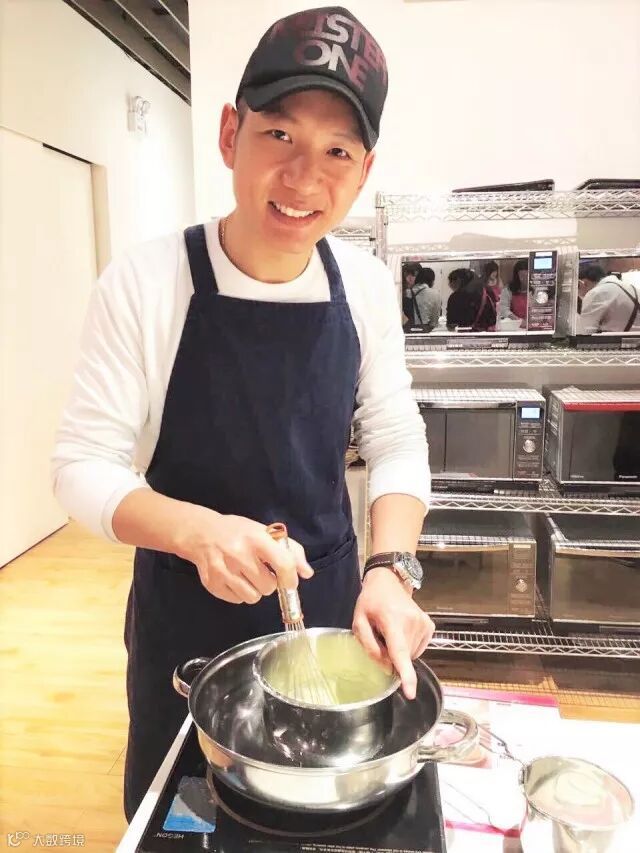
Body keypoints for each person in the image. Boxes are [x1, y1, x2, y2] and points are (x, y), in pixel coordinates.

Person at [51, 6, 434, 823]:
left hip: (327, 610)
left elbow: (397, 438)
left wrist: (392, 569)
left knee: (319, 817)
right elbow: (81, 464)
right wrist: (195, 530)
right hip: (185, 626)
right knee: (180, 817)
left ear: (364, 170)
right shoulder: (146, 283)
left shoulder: (366, 288)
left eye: (336, 152)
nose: (303, 179)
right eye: (280, 136)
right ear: (231, 134)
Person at [578, 263, 640, 333]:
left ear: (582, 283)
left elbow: (584, 331)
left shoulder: (596, 293)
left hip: (624, 339)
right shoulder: (630, 287)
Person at [410, 266, 441, 330]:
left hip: (409, 330)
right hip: (426, 330)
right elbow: (434, 321)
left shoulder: (407, 292)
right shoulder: (435, 294)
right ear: (431, 280)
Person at [506, 258, 529, 324]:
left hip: (533, 324)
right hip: (515, 324)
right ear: (516, 276)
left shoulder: (536, 289)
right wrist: (519, 320)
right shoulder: (508, 289)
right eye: (522, 276)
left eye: (526, 276)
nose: (524, 279)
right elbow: (504, 309)